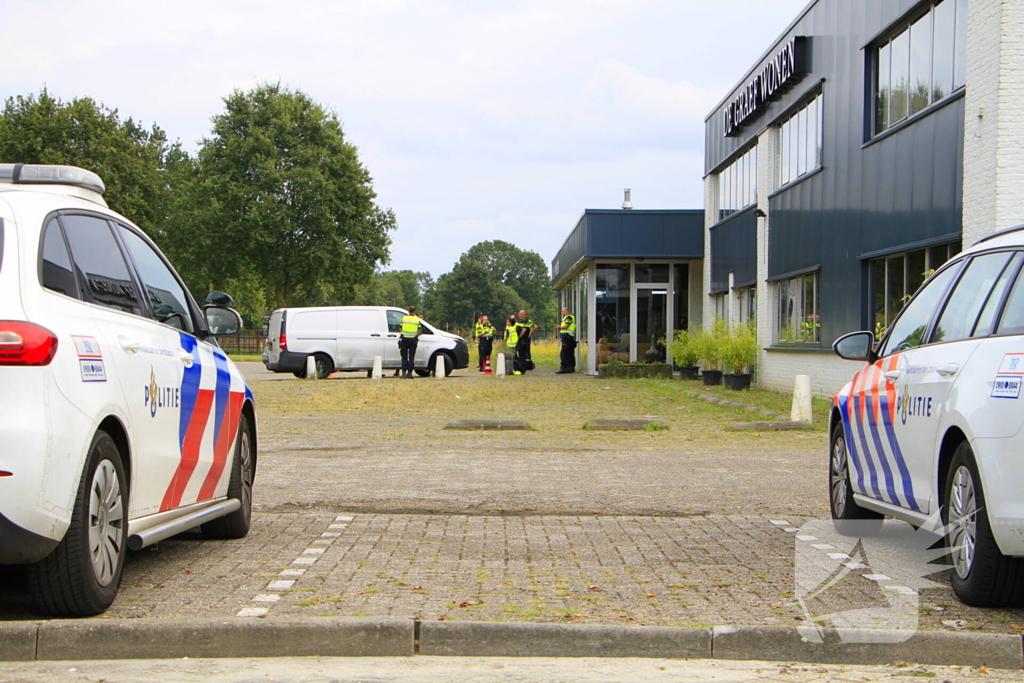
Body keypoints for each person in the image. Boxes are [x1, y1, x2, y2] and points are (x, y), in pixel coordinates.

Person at [398, 306, 423, 379]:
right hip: (413, 340)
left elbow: (400, 329)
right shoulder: (417, 319)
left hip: (404, 339)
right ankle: (410, 374)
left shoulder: (404, 318)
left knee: (404, 357)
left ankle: (403, 373)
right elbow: (419, 331)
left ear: (408, 311)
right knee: (411, 357)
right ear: (415, 312)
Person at [555, 306, 577, 374]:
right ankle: (570, 368)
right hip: (570, 338)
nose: (562, 313)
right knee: (570, 353)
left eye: (563, 311)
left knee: (564, 353)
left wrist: (559, 327)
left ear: (567, 311)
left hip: (567, 337)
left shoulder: (569, 317)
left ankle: (564, 368)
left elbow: (566, 326)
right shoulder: (570, 317)